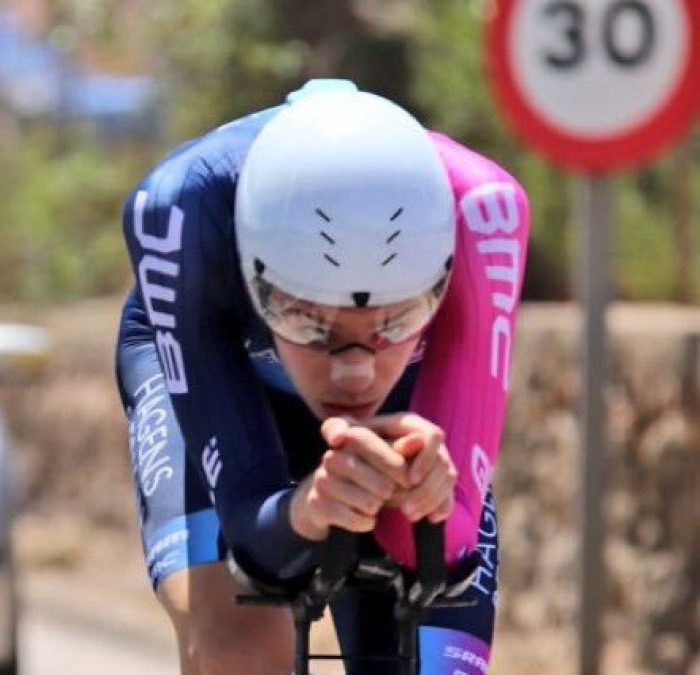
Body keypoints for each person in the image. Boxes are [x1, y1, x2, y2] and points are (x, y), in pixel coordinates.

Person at [116, 79, 527, 675]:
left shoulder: (484, 211)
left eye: (397, 319)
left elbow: (451, 548)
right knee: (241, 651)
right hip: (226, 375)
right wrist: (305, 511)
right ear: (254, 278)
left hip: (408, 404)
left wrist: (429, 502)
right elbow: (254, 537)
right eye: (309, 320)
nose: (354, 370)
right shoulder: (179, 211)